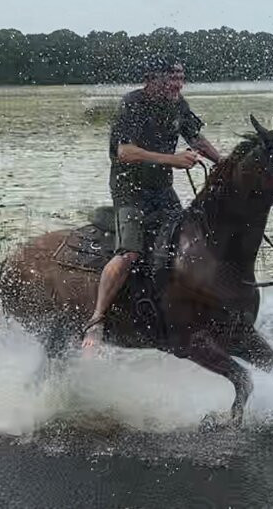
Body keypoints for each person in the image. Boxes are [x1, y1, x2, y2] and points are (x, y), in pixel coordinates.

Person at [82, 57, 221, 349]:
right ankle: (97, 319)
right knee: (130, 254)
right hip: (129, 190)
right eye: (171, 79)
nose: (177, 85)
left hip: (162, 188)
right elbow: (125, 152)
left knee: (188, 244)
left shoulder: (177, 103)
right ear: (151, 79)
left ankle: (181, 307)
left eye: (181, 78)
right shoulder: (132, 103)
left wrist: (223, 163)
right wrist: (173, 160)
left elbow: (195, 138)